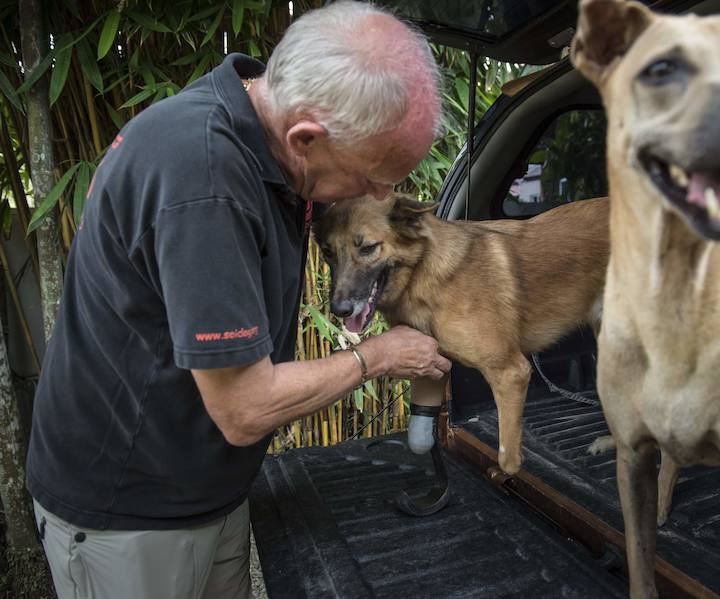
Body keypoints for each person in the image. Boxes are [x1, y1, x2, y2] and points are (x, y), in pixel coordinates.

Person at [26, 2, 451, 597]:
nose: (382, 194)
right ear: (305, 136)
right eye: (373, 176)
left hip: (208, 488)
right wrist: (377, 357)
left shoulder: (257, 124)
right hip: (130, 509)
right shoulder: (203, 181)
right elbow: (246, 408)